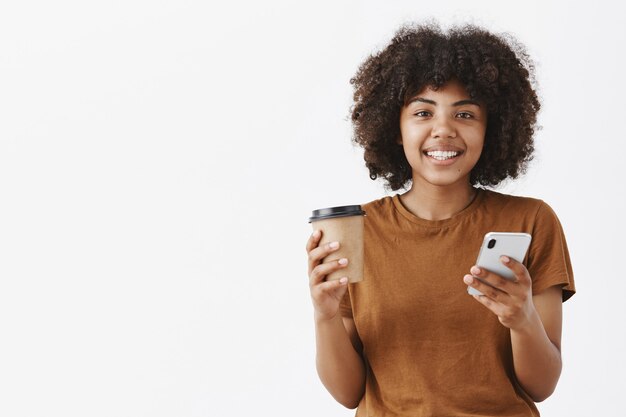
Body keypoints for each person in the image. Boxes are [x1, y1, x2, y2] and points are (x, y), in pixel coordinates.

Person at [305, 22, 575, 417]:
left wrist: (522, 320)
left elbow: (542, 384)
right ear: (396, 128)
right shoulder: (358, 230)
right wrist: (324, 315)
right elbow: (349, 393)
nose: (443, 130)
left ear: (491, 127)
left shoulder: (531, 220)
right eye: (422, 112)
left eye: (465, 113)